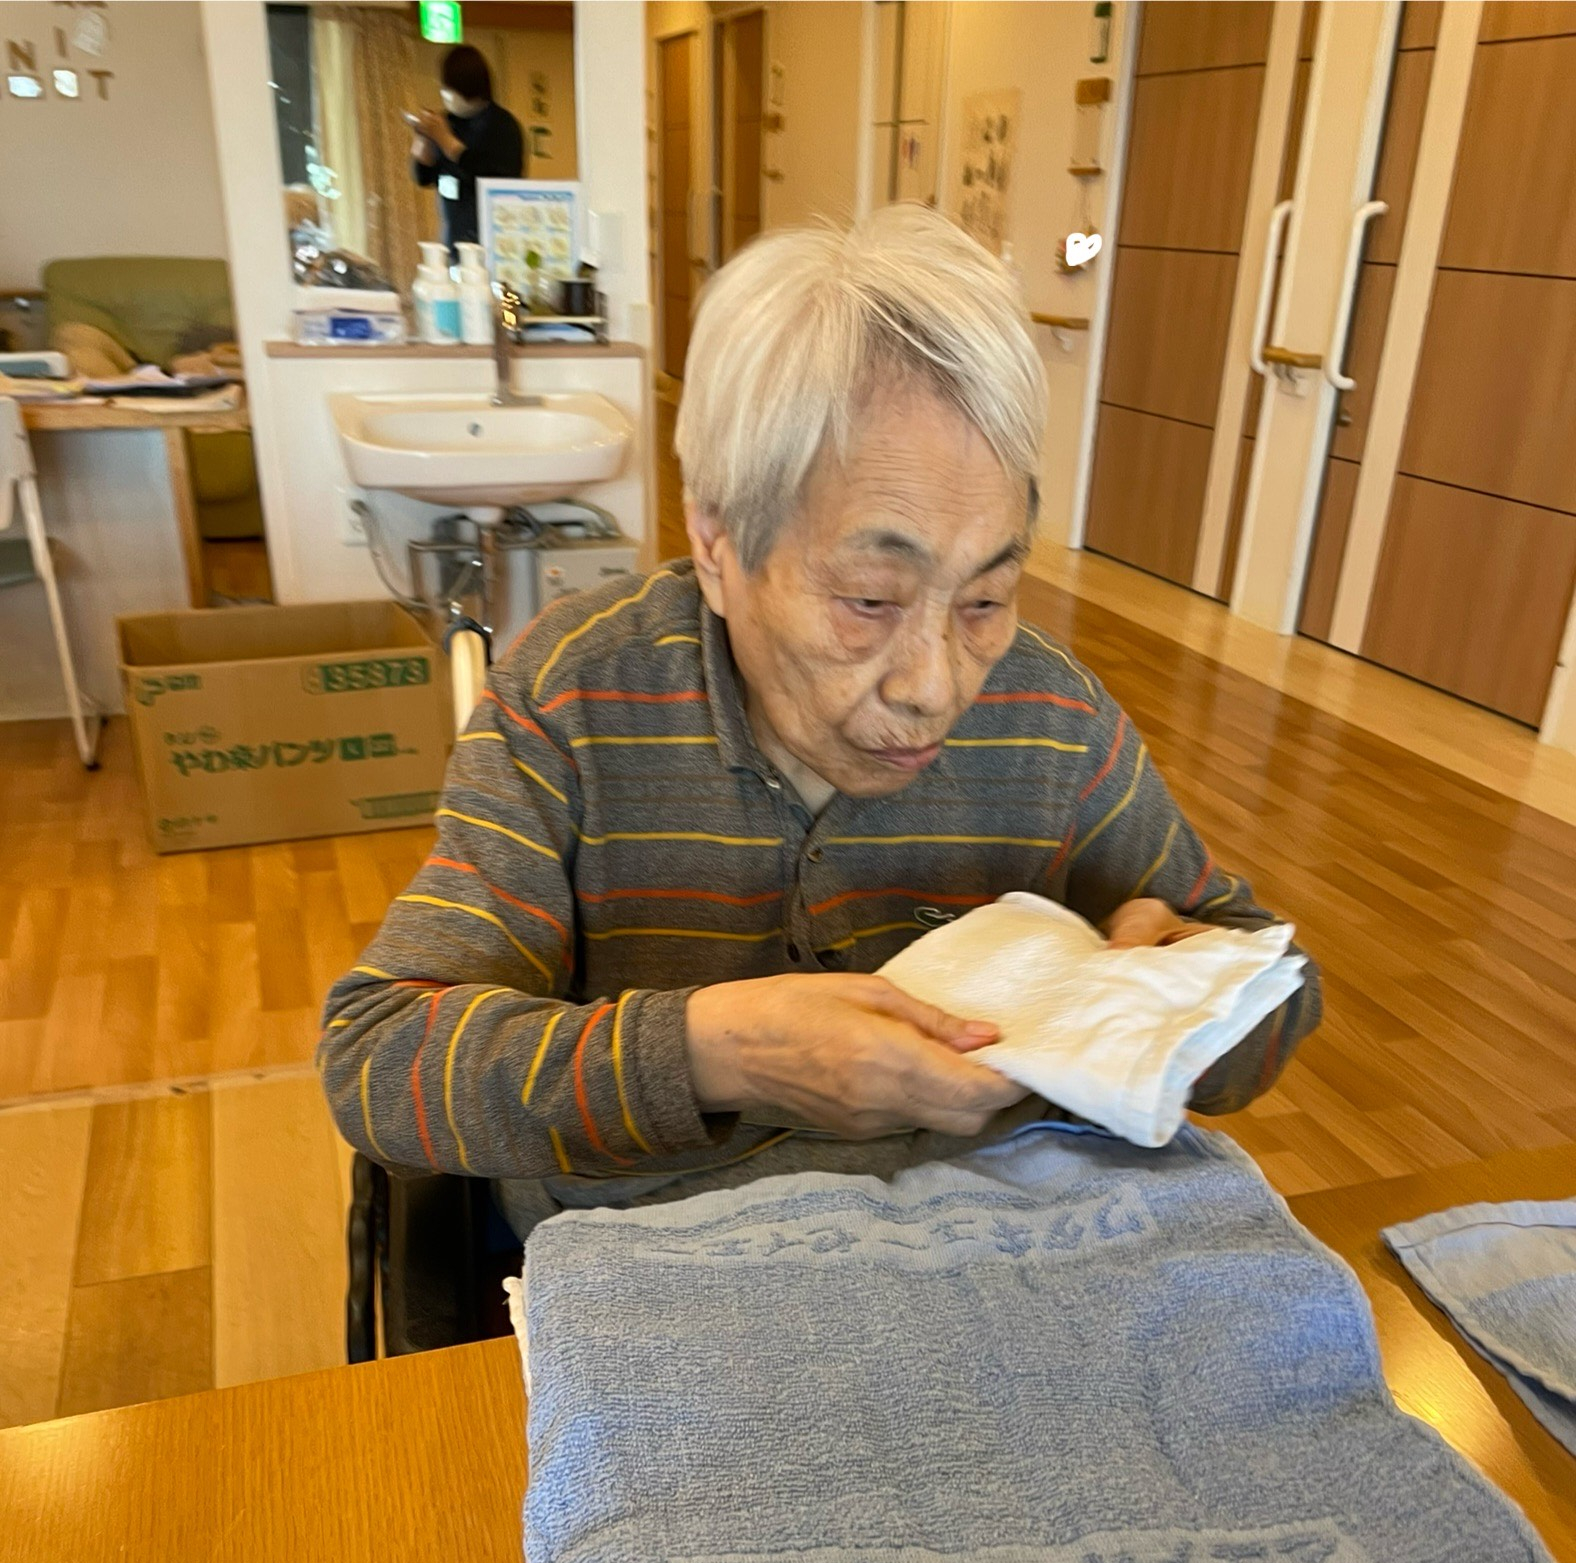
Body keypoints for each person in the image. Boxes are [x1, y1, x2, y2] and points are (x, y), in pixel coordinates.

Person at [319, 207, 1321, 1243]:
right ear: (717, 546)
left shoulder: (1051, 718)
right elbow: (378, 1058)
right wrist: (716, 1052)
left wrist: (1180, 992)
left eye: (984, 599)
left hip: (992, 1241)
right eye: (868, 600)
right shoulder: (575, 697)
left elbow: (1274, 992)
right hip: (663, 1263)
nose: (934, 685)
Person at [409, 44, 524, 256]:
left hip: (495, 243)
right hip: (452, 239)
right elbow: (422, 178)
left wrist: (448, 143)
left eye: (452, 89)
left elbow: (494, 179)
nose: (447, 95)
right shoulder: (447, 121)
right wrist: (423, 141)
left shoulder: (501, 125)